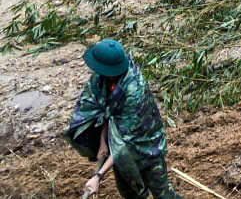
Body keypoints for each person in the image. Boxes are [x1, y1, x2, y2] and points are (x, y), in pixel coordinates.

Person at [66, 40, 182, 199]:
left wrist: (98, 176)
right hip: (120, 148)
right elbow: (107, 110)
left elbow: (125, 143)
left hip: (147, 146)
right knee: (130, 194)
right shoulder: (103, 78)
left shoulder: (134, 91)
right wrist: (103, 143)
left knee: (163, 194)